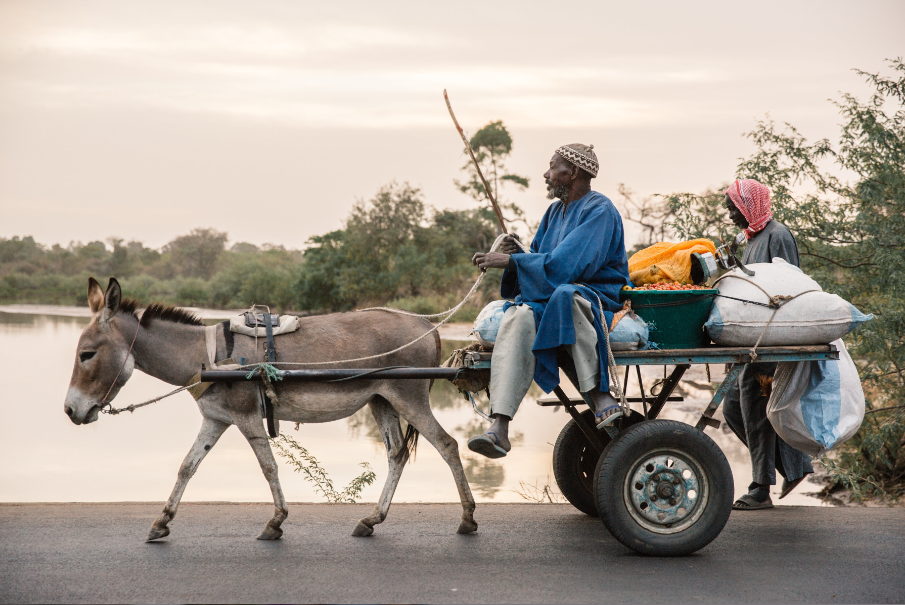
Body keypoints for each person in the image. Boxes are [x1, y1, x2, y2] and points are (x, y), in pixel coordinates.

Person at [466, 144, 631, 459]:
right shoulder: (554, 211)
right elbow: (542, 261)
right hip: (552, 294)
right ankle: (499, 426)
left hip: (594, 294)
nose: (546, 173)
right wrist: (519, 255)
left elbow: (569, 267)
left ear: (573, 172)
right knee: (521, 314)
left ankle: (600, 396)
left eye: (552, 166)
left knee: (566, 296)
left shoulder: (600, 209)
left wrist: (514, 264)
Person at [721, 178, 814, 510]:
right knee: (733, 407)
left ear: (749, 206)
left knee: (758, 412)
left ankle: (761, 488)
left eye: (733, 206)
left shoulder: (778, 235)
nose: (729, 212)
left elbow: (792, 286)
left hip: (770, 342)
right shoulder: (753, 239)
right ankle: (793, 466)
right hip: (751, 340)